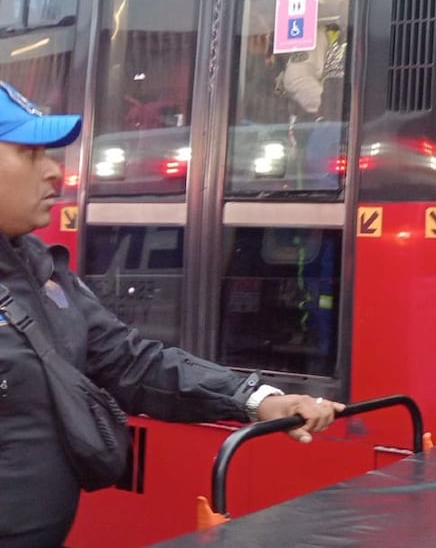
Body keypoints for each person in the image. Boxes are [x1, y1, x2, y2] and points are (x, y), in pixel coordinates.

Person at [0, 81, 344, 546]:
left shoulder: (38, 270)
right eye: (30, 152)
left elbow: (129, 361)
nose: (55, 172)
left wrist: (255, 399)